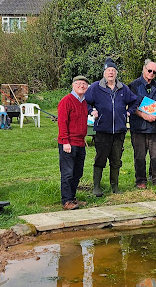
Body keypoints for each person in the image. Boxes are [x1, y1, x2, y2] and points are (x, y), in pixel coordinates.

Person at [85, 57, 138, 197]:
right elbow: (86, 102)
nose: (111, 73)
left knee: (116, 160)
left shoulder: (123, 88)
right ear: (104, 73)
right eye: (108, 70)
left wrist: (128, 112)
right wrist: (92, 111)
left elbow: (134, 101)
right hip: (102, 129)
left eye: (113, 70)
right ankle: (96, 187)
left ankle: (115, 186)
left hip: (119, 130)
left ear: (116, 73)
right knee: (100, 158)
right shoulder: (96, 88)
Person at [129, 60, 156, 190]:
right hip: (139, 126)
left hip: (155, 127)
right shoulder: (133, 86)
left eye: (154, 72)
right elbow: (132, 107)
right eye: (149, 70)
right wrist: (144, 116)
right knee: (140, 156)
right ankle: (140, 180)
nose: (151, 73)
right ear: (144, 69)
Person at [57, 75, 90, 210]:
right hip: (69, 143)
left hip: (80, 142)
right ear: (73, 85)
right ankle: (66, 201)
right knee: (67, 173)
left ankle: (72, 197)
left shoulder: (84, 102)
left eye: (84, 84)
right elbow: (62, 122)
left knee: (77, 173)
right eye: (79, 84)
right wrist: (65, 141)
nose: (81, 86)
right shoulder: (66, 101)